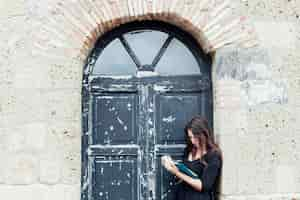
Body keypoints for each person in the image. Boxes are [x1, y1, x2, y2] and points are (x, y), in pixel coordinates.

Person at [162, 115, 223, 200]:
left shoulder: (213, 155)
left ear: (204, 135)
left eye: (195, 137)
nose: (192, 141)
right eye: (190, 137)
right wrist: (171, 165)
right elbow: (184, 173)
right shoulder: (189, 150)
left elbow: (204, 186)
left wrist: (177, 173)